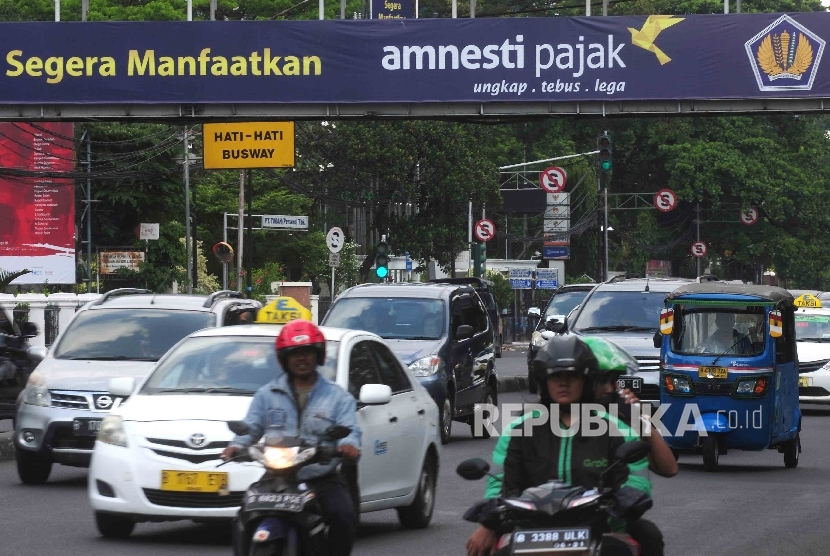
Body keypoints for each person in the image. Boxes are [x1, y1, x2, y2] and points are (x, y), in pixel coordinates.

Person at [467, 335, 663, 556]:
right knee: (481, 547)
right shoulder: (519, 429)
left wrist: (626, 500)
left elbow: (637, 481)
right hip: (530, 531)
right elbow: (499, 484)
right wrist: (489, 523)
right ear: (544, 380)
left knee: (644, 538)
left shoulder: (617, 429)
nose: (563, 383)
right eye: (556, 376)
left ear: (586, 381)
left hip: (600, 529)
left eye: (572, 376)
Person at [221, 319, 361, 556]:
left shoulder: (338, 397)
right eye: (295, 353)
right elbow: (252, 427)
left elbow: (351, 429)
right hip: (276, 475)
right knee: (243, 515)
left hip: (320, 477)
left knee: (343, 515)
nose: (301, 358)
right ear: (284, 358)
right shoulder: (267, 394)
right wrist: (236, 447)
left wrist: (347, 446)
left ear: (318, 355)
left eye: (307, 352)